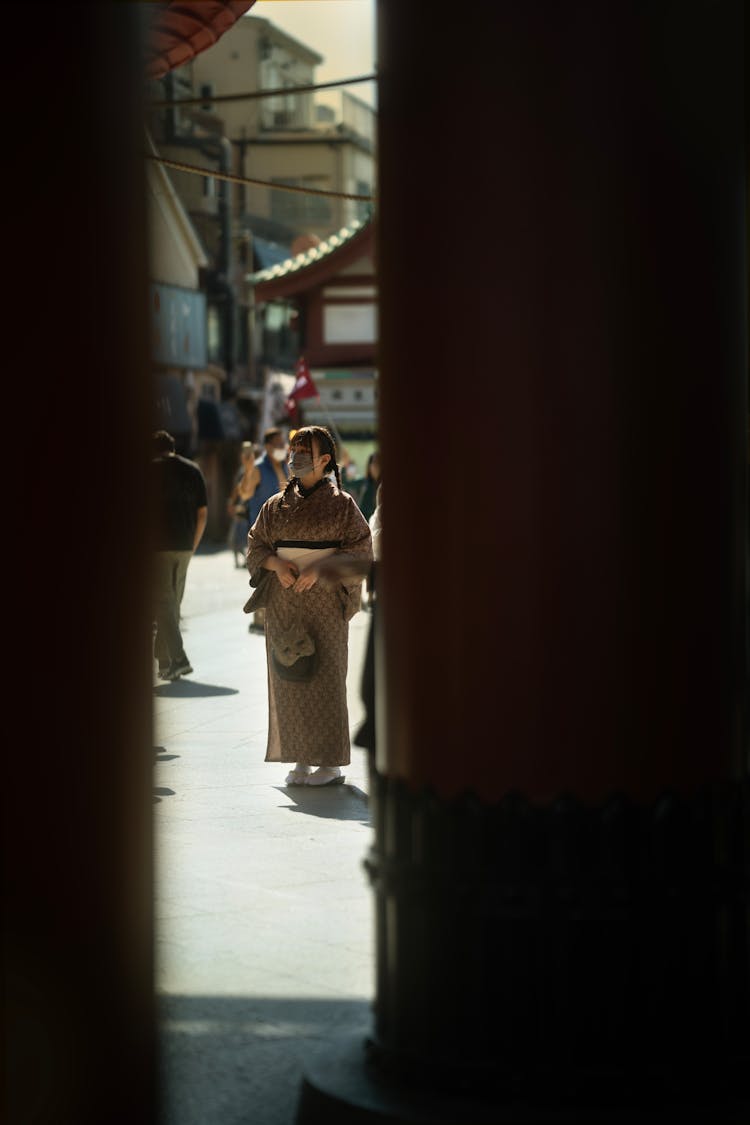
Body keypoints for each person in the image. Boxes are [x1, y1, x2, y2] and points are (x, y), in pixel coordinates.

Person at [245, 425, 373, 787]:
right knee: (290, 678)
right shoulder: (276, 505)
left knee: (327, 680)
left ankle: (330, 763)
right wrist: (275, 564)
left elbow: (362, 550)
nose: (295, 458)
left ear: (325, 460)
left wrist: (319, 567)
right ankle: (299, 758)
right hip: (285, 603)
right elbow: (256, 545)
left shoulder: (342, 505)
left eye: (305, 452)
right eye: (294, 451)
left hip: (326, 605)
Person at [152, 429, 208, 680]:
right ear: (173, 447)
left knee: (163, 602)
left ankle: (179, 658)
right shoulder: (192, 469)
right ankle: (164, 661)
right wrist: (193, 544)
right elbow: (203, 513)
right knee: (172, 602)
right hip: (185, 544)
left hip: (158, 545)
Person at [244, 427, 290, 633]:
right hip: (261, 533)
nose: (282, 447)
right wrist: (247, 471)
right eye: (279, 444)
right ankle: (260, 620)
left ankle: (268, 618)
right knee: (263, 575)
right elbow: (245, 494)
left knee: (278, 576)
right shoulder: (258, 468)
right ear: (268, 446)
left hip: (283, 532)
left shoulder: (286, 467)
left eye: (283, 443)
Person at [226, 441, 256, 568]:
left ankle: (248, 559)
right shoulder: (242, 470)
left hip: (251, 507)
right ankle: (241, 560)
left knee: (248, 537)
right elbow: (237, 488)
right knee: (235, 538)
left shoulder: (256, 468)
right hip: (242, 507)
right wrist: (231, 502)